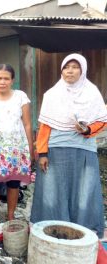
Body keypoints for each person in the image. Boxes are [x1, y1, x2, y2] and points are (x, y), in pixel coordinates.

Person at [31, 53, 107, 238]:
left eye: (74, 67)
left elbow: (102, 121)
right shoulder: (52, 94)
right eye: (66, 67)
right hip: (56, 150)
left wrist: (87, 129)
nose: (70, 71)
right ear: (61, 70)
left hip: (84, 150)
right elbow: (44, 126)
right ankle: (53, 229)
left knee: (85, 190)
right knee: (54, 190)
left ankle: (85, 230)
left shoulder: (92, 93)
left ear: (82, 70)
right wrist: (42, 153)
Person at [0, 64, 34, 223]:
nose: (2, 81)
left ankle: (11, 216)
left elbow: (27, 124)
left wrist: (29, 148)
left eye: (6, 78)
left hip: (17, 150)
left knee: (14, 183)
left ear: (12, 81)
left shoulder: (21, 97)